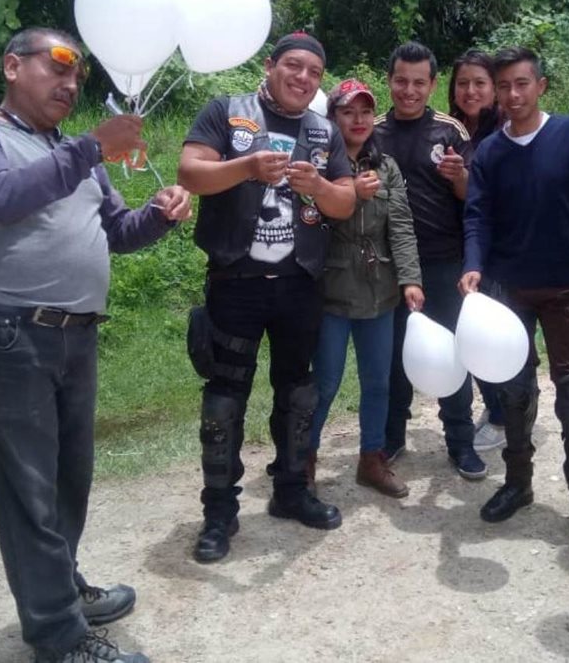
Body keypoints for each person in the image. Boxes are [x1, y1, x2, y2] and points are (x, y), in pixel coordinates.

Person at [0, 27, 191, 663]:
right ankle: (58, 638)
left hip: (76, 337)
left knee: (66, 481)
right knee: (27, 489)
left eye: (77, 73)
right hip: (11, 334)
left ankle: (63, 589)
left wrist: (160, 215)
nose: (71, 82)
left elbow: (116, 232)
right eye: (56, 66)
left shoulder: (72, 152)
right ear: (10, 67)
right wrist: (90, 148)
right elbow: (0, 198)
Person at [177, 32, 356, 564]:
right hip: (236, 281)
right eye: (294, 67)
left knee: (298, 393)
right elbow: (191, 172)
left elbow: (344, 203)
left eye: (314, 73)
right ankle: (219, 512)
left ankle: (291, 491)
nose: (303, 78)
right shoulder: (227, 112)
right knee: (224, 399)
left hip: (301, 283)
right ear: (270, 65)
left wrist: (320, 188)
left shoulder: (325, 130)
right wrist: (247, 167)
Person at [459, 46, 569, 545]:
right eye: (503, 86)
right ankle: (518, 485)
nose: (512, 94)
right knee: (515, 392)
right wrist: (473, 266)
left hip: (565, 287)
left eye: (521, 83)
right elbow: (477, 216)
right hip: (509, 289)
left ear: (541, 86)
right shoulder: (489, 152)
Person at [374, 41, 486, 480]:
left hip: (443, 261)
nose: (409, 90)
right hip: (386, 265)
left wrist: (460, 177)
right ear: (389, 80)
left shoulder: (450, 130)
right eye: (401, 80)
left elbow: (473, 197)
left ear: (433, 84)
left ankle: (460, 442)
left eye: (419, 82)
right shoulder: (373, 130)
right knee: (394, 355)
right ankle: (391, 436)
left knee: (450, 354)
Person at [310, 78, 425, 498]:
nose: (357, 120)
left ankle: (371, 459)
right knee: (324, 382)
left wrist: (410, 278)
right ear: (333, 117)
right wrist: (351, 194)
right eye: (347, 112)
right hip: (333, 291)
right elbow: (312, 222)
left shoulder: (387, 166)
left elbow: (401, 226)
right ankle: (303, 460)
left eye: (364, 112)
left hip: (381, 290)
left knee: (378, 381)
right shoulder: (318, 162)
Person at [448, 49, 509, 453]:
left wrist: (461, 180)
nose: (470, 91)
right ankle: (496, 409)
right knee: (465, 333)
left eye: (480, 83)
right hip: (458, 249)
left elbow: (489, 201)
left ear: (494, 90)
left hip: (495, 252)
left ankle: (502, 416)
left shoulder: (502, 134)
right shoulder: (451, 130)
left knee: (487, 336)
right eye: (463, 83)